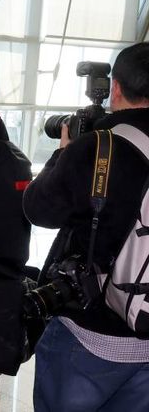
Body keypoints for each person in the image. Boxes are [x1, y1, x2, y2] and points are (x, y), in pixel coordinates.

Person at [23, 42, 149, 411]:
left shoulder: (101, 147)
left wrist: (65, 153)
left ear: (116, 89)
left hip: (90, 336)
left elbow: (39, 209)